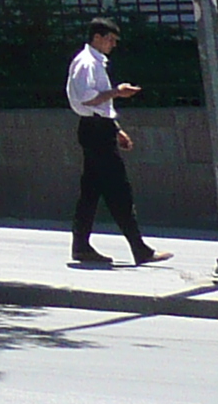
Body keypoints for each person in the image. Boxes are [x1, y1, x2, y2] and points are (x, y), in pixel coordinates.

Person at [66, 18, 167, 269]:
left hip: (99, 129)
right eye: (110, 39)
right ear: (97, 38)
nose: (113, 44)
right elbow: (88, 99)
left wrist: (116, 129)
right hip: (94, 131)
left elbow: (99, 106)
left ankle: (81, 246)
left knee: (91, 191)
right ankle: (139, 248)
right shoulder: (86, 63)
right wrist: (117, 92)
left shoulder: (95, 62)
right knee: (118, 189)